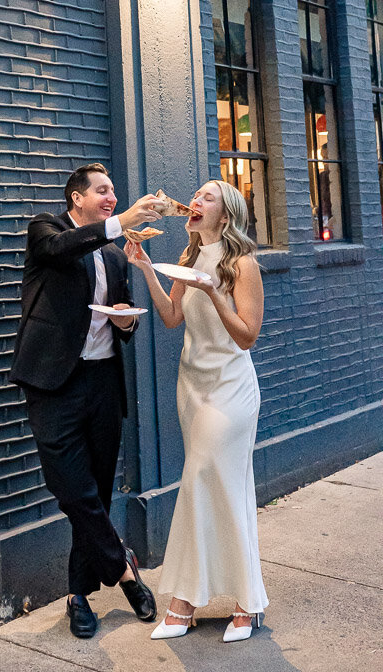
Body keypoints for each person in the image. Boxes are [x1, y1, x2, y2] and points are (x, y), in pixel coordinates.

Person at [9, 163, 162, 638]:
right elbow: (61, 250)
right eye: (103, 190)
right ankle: (123, 570)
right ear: (77, 198)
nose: (111, 195)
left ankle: (78, 596)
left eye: (115, 190)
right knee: (71, 488)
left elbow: (126, 321)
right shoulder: (46, 230)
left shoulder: (116, 258)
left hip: (102, 385)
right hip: (53, 384)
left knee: (92, 494)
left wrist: (125, 322)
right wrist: (126, 217)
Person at [126, 179, 268, 643]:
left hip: (231, 389)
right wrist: (147, 267)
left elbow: (246, 336)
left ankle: (190, 601)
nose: (196, 201)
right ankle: (241, 601)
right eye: (197, 196)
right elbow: (171, 317)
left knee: (203, 477)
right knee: (219, 485)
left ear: (225, 215)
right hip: (193, 386)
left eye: (207, 197)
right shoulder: (186, 259)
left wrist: (213, 290)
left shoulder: (242, 265)